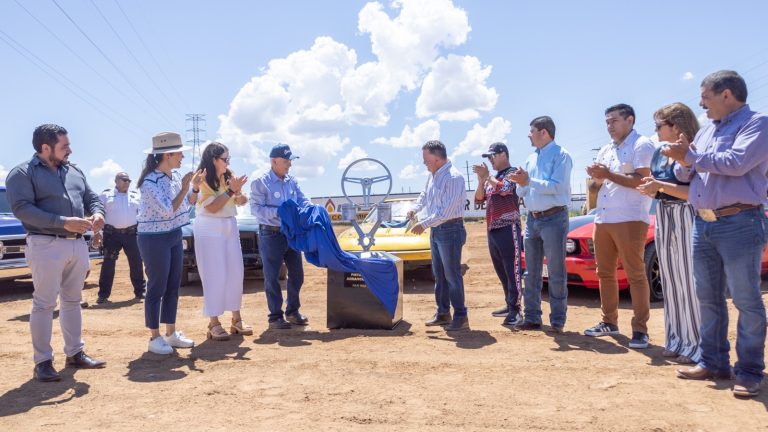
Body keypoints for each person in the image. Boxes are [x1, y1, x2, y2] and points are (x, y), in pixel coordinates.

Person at [663, 70, 768, 398]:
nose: (700, 104)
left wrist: (692, 157)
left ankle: (749, 371)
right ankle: (714, 362)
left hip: (739, 222)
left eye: (706, 97)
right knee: (707, 297)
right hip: (703, 222)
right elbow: (691, 170)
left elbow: (737, 162)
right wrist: (682, 163)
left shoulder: (758, 124)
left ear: (727, 94)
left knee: (745, 298)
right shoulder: (707, 130)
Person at [6, 124, 107, 382]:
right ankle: (42, 361)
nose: (70, 150)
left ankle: (75, 353)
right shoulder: (22, 174)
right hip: (44, 244)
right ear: (45, 147)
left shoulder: (74, 171)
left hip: (77, 244)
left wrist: (97, 213)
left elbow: (92, 197)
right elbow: (22, 209)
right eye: (64, 146)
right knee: (44, 303)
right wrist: (63, 222)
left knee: (73, 301)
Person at [584, 104, 655, 349]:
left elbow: (641, 180)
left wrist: (608, 174)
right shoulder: (606, 150)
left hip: (630, 218)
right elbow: (596, 187)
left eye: (614, 120)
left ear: (630, 120)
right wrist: (597, 178)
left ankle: (640, 329)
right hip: (603, 219)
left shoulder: (641, 145)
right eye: (607, 122)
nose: (609, 126)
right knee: (604, 273)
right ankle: (609, 322)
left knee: (635, 274)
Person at [636, 103, 700, 365]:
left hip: (687, 213)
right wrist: (652, 189)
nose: (656, 130)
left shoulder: (693, 151)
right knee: (671, 279)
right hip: (664, 212)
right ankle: (677, 339)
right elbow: (658, 187)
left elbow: (694, 192)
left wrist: (658, 186)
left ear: (675, 126)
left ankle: (696, 344)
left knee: (689, 281)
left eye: (659, 125)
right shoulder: (660, 153)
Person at [136, 132, 203, 355]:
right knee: (157, 286)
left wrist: (193, 188)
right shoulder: (149, 182)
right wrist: (186, 188)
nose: (182, 157)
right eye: (179, 153)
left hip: (173, 234)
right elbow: (167, 210)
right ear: (167, 155)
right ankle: (154, 337)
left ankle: (170, 333)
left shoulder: (173, 178)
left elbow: (188, 205)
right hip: (153, 238)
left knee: (173, 285)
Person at [511, 116, 573, 333]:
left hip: (554, 218)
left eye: (532, 131)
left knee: (556, 271)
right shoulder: (530, 159)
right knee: (531, 272)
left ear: (544, 132)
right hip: (533, 218)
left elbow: (558, 187)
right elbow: (524, 191)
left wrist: (529, 181)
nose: (529, 135)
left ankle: (557, 320)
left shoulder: (562, 156)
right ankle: (532, 317)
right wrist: (521, 184)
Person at [407, 140, 468, 331]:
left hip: (450, 229)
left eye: (425, 158)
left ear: (436, 157)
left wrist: (423, 224)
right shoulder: (433, 175)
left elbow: (446, 212)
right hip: (437, 230)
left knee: (452, 275)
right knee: (440, 274)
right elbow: (425, 195)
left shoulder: (453, 178)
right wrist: (415, 209)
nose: (423, 162)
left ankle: (460, 315)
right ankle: (443, 312)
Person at [193, 142, 252, 340]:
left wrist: (238, 193)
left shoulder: (229, 175)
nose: (227, 162)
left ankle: (236, 319)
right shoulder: (201, 178)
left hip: (229, 225)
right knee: (214, 274)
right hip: (208, 226)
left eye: (228, 159)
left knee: (235, 271)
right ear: (213, 159)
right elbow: (211, 208)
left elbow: (241, 201)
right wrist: (230, 192)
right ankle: (214, 322)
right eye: (224, 159)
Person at [250, 144, 311, 330]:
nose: (289, 165)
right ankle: (275, 316)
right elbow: (256, 209)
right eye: (286, 161)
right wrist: (282, 213)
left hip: (291, 234)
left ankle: (292, 312)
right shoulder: (260, 183)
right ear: (274, 161)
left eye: (290, 161)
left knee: (297, 275)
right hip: (271, 234)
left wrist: (309, 209)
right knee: (272, 277)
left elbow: (303, 200)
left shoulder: (292, 181)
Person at [472, 142, 524, 327]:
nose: (490, 160)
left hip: (509, 227)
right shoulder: (491, 178)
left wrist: (488, 177)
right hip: (493, 228)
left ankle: (516, 310)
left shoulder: (513, 173)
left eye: (492, 156)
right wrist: (481, 180)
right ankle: (509, 304)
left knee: (512, 270)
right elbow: (478, 199)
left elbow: (505, 189)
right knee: (502, 271)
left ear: (503, 154)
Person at [93, 172, 145, 304]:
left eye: (129, 180)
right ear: (116, 181)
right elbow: (97, 213)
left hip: (132, 234)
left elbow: (142, 215)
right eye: (124, 180)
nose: (127, 182)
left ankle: (140, 292)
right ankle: (103, 295)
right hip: (112, 235)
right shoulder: (105, 195)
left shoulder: (136, 195)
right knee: (108, 264)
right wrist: (97, 232)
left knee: (136, 263)